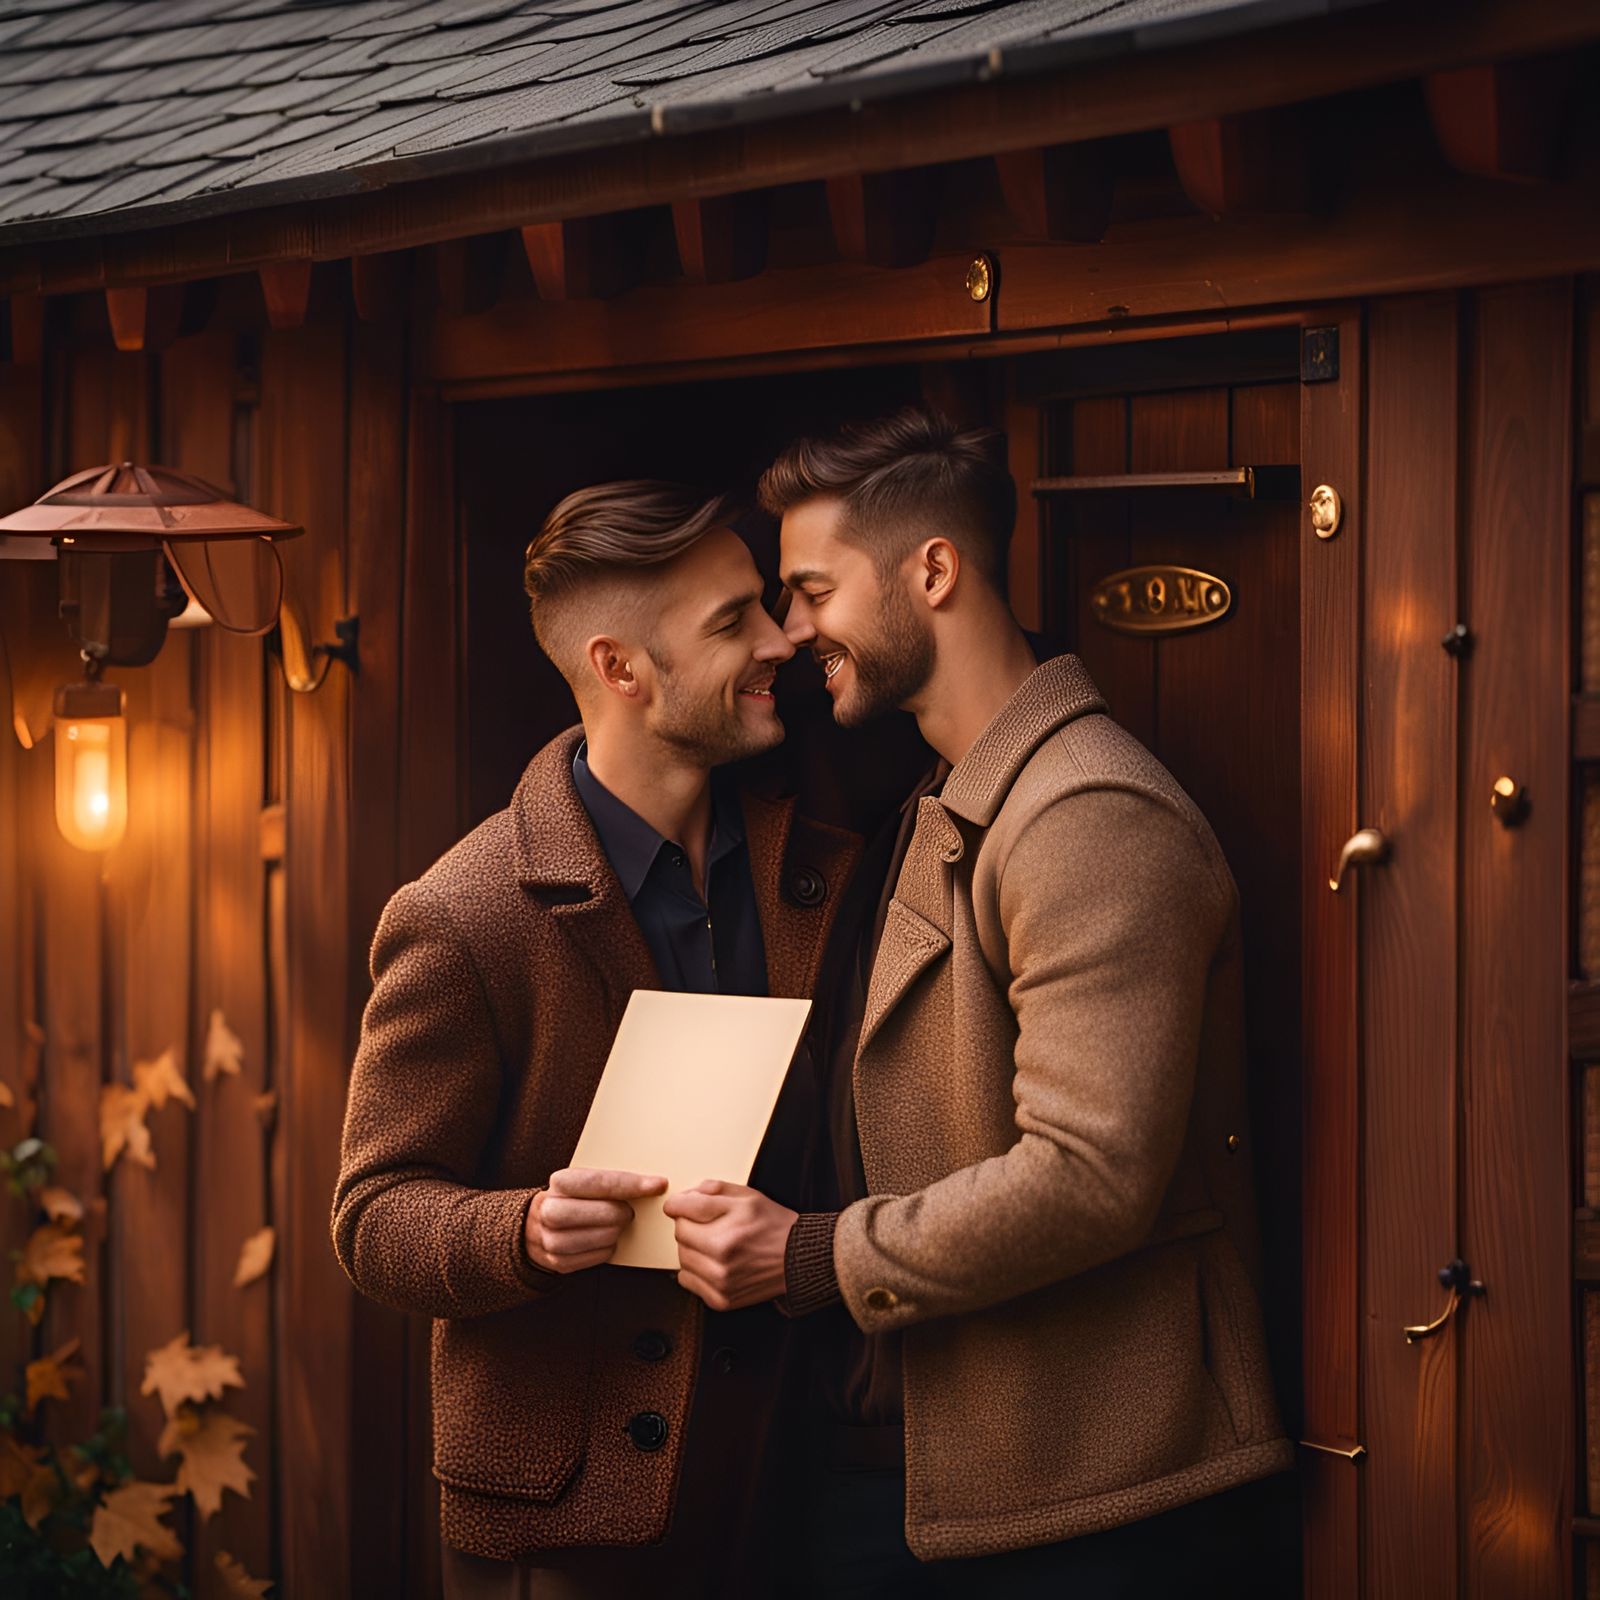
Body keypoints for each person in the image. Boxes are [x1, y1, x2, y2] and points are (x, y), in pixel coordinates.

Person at [667, 408, 1295, 1597]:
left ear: (934, 571)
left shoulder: (1086, 815)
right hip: (938, 1476)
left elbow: (1089, 1172)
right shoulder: (945, 796)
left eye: (809, 590)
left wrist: (806, 1258)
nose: (792, 633)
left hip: (1094, 1510)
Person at [331, 481, 858, 1599]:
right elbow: (372, 1215)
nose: (782, 640)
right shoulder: (459, 913)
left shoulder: (818, 846)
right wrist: (523, 1231)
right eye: (733, 623)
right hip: (569, 1530)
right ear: (620, 668)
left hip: (797, 1488)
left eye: (765, 602)